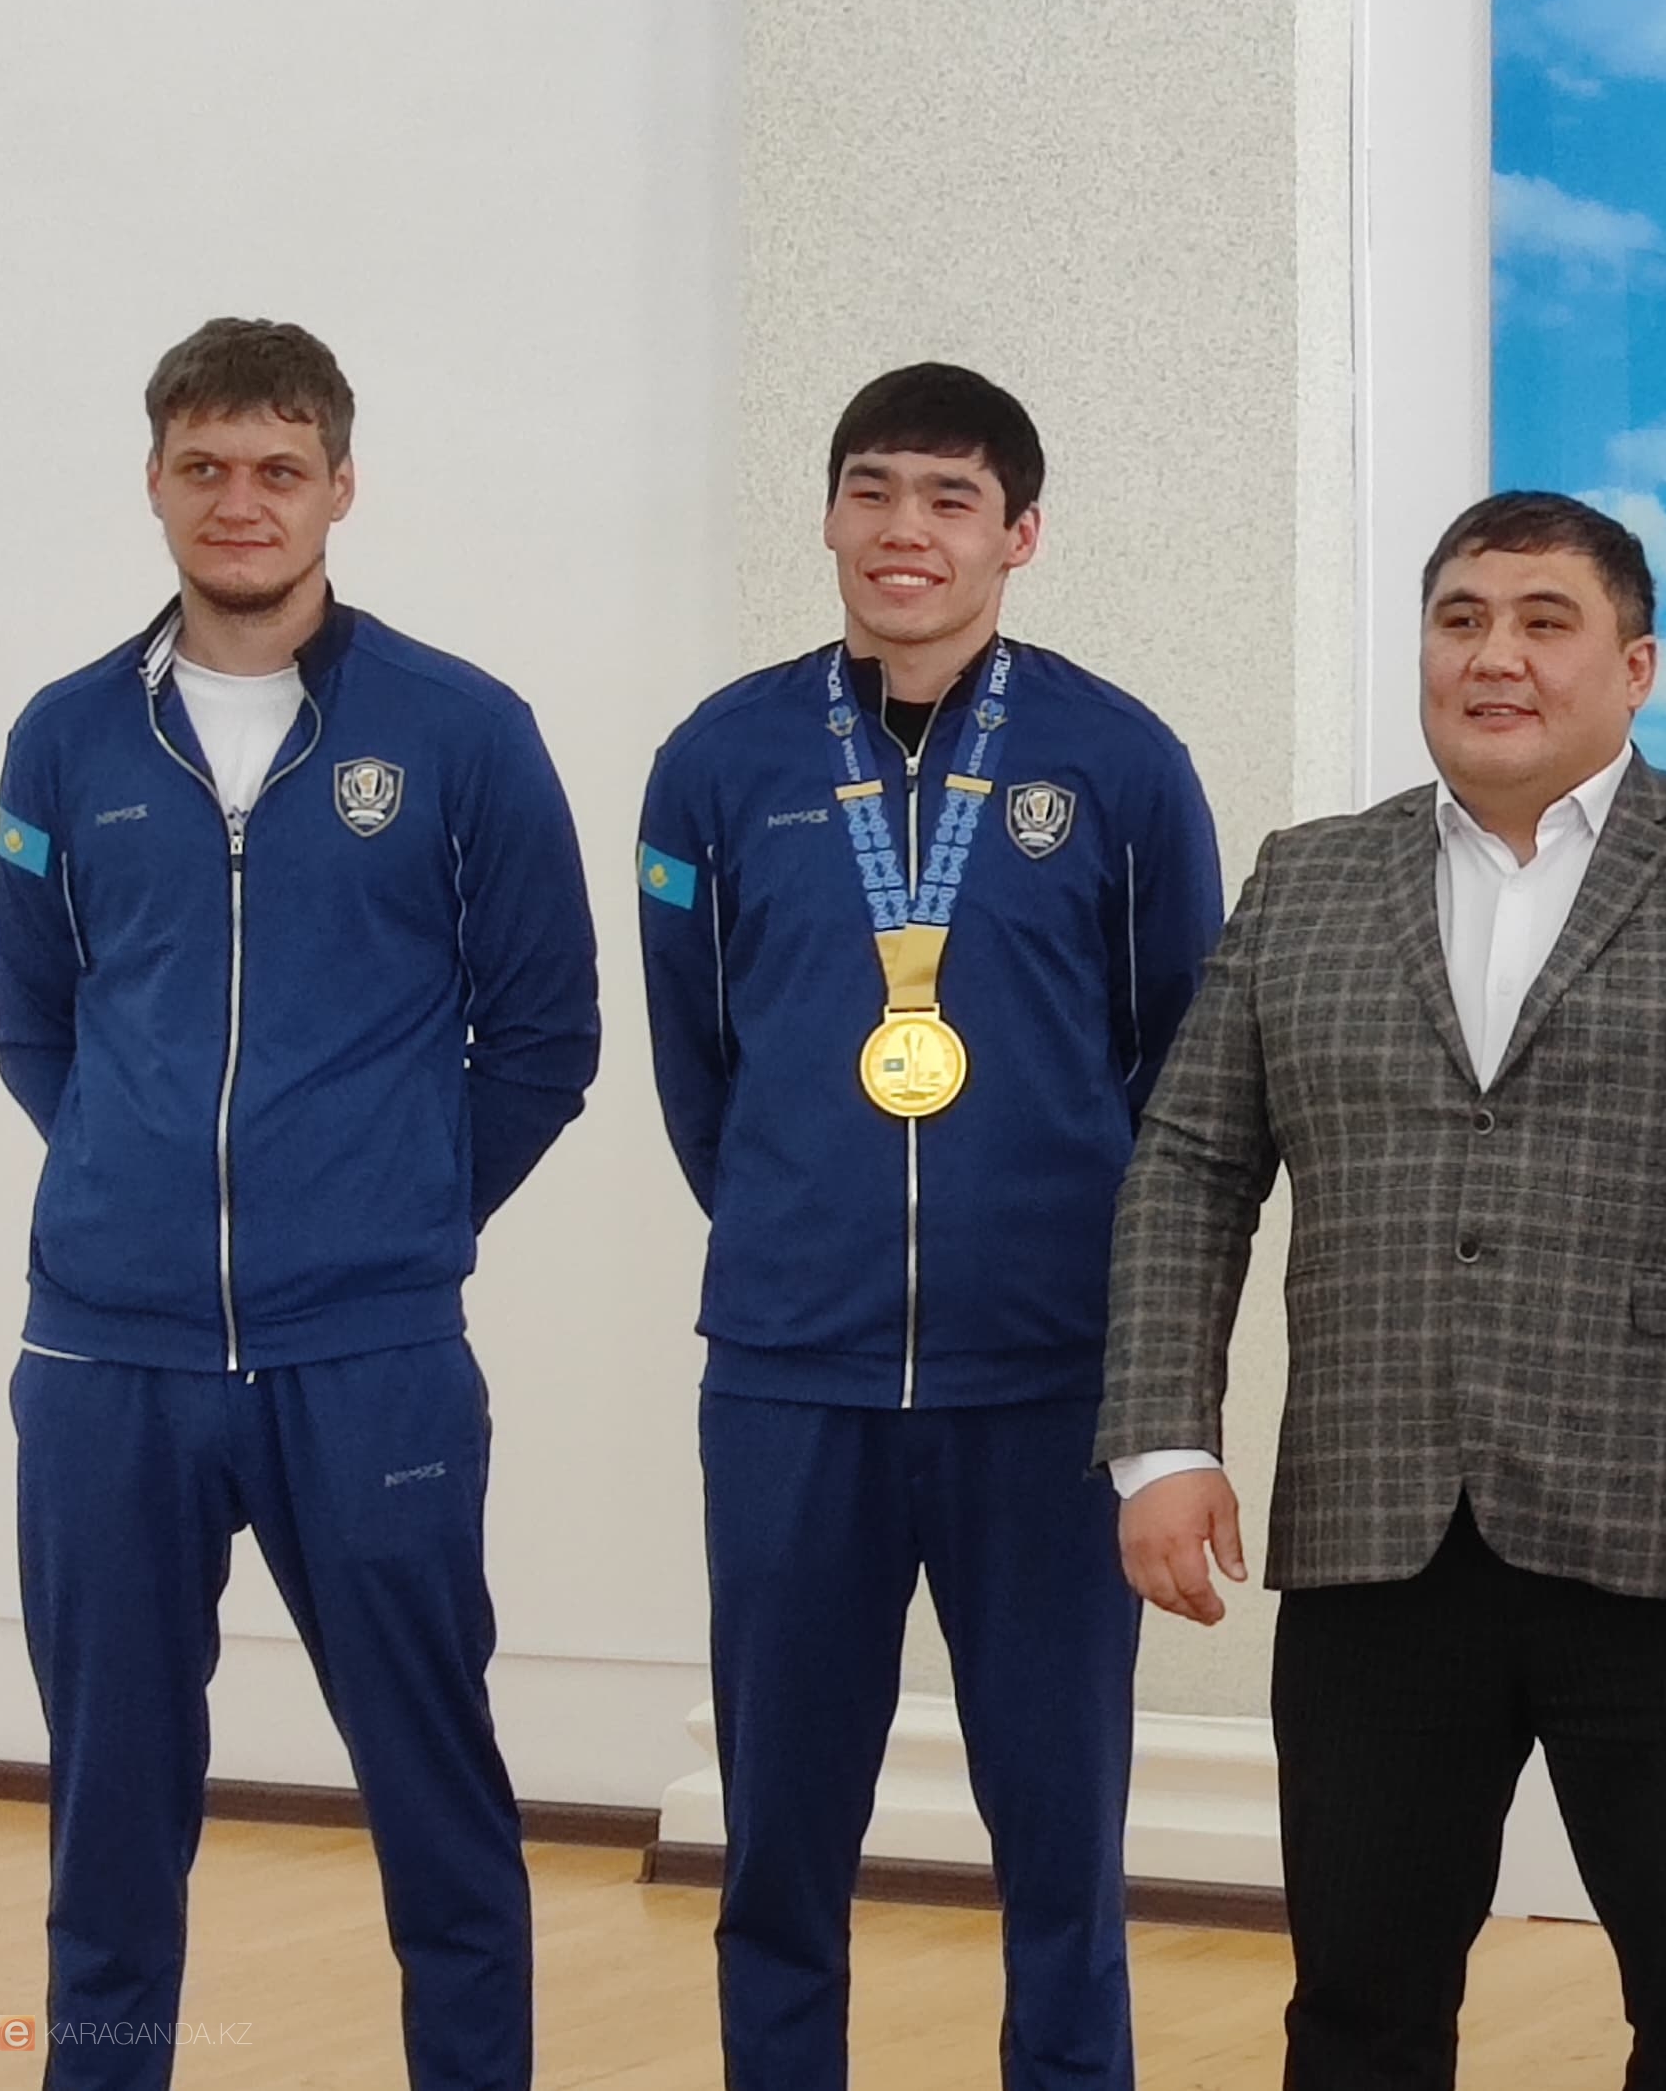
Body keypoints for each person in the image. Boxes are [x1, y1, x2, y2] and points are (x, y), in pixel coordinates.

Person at [1096, 491, 1666, 2091]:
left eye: (1543, 621)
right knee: (1359, 2012)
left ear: (1636, 667)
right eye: (1461, 620)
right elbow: (1188, 1164)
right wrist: (1162, 1444)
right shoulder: (1306, 877)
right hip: (1376, 1539)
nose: (1494, 656)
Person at [0, 319, 600, 2090]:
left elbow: (544, 1033)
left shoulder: (463, 729)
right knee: (110, 1825)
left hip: (371, 1362)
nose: (238, 501)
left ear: (341, 486)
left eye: (277, 469)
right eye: (204, 467)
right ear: (155, 483)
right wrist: (137, 1187)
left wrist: (390, 1210)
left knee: (438, 1804)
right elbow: (33, 1016)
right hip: (109, 1368)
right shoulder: (64, 738)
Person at [633, 364, 1223, 2091]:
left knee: (1061, 1838)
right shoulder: (718, 760)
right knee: (778, 1832)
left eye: (952, 498)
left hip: (1041, 1388)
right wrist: (796, 1227)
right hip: (788, 1381)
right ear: (829, 513)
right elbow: (697, 1059)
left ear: (1018, 535)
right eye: (874, 489)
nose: (907, 529)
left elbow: (1176, 1063)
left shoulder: (1120, 762)